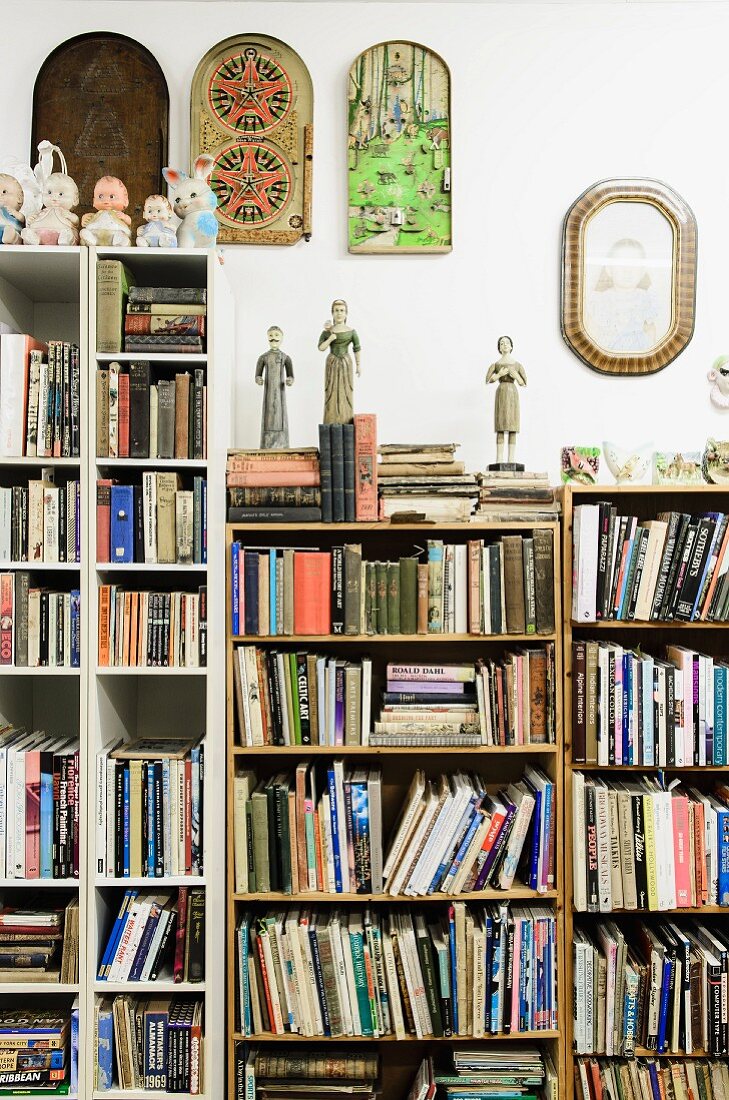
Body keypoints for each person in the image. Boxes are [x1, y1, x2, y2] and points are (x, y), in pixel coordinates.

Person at [585, 237, 658, 352]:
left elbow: (650, 329)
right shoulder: (600, 300)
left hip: (638, 354)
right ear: (609, 269)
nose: (627, 270)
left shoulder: (645, 299)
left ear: (642, 271)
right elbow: (591, 330)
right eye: (621, 263)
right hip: (608, 354)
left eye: (633, 264)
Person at [485, 335, 527, 466]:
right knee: (501, 426)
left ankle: (511, 459)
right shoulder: (496, 365)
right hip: (501, 393)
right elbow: (488, 379)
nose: (504, 345)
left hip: (512, 394)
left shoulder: (517, 365)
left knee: (512, 426)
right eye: (501, 343)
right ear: (499, 348)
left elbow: (523, 382)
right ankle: (499, 459)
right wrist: (499, 375)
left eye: (507, 343)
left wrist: (516, 376)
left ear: (511, 346)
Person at [318, 300, 361, 424]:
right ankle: (331, 421)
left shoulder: (351, 331)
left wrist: (358, 365)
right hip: (332, 363)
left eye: (342, 310)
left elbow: (357, 348)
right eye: (336, 311)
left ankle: (345, 420)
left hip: (346, 364)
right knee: (330, 392)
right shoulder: (327, 332)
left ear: (346, 313)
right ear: (332, 313)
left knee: (346, 392)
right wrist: (330, 338)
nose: (339, 313)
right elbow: (321, 347)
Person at [255, 326, 294, 449]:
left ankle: (282, 442)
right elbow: (257, 375)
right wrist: (259, 379)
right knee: (268, 414)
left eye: (276, 335)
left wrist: (289, 380)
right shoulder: (263, 357)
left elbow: (291, 375)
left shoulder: (285, 358)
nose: (273, 338)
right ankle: (267, 442)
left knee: (280, 415)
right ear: (267, 337)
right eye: (271, 335)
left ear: (281, 338)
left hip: (280, 393)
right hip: (269, 393)